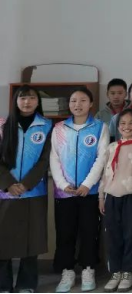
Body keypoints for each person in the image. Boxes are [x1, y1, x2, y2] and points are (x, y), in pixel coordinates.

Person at [51, 87, 109, 293]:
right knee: (65, 233)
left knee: (89, 232)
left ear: (91, 104)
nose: (78, 104)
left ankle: (88, 269)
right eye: (74, 100)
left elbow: (102, 158)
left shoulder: (100, 127)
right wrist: (62, 184)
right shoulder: (59, 128)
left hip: (89, 193)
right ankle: (67, 271)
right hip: (64, 193)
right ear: (69, 104)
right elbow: (54, 158)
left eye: (83, 100)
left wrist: (87, 184)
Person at [0, 85, 53, 294]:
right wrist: (8, 183)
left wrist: (26, 184)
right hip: (5, 193)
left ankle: (26, 284)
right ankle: (3, 285)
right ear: (15, 101)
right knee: (3, 241)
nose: (27, 102)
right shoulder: (3, 125)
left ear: (38, 101)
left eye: (31, 98)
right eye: (22, 98)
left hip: (34, 192)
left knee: (32, 241)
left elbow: (45, 159)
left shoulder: (47, 126)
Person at [99, 109, 132, 293]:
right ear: (117, 127)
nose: (127, 126)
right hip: (111, 196)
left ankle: (128, 272)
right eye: (123, 123)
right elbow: (105, 174)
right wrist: (101, 197)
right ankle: (115, 272)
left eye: (131, 123)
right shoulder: (111, 147)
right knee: (113, 235)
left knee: (130, 235)